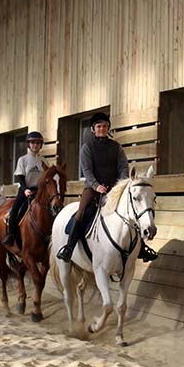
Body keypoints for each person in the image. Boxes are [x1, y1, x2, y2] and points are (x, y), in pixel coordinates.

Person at [56, 112, 128, 262]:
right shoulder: (87, 147)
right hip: (92, 189)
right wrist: (96, 186)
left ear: (108, 128)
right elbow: (87, 170)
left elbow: (123, 167)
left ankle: (140, 249)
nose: (102, 129)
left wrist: (120, 185)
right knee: (81, 212)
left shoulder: (117, 147)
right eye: (99, 126)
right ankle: (69, 248)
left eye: (105, 126)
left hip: (114, 189)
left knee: (130, 211)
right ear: (93, 129)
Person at [2, 131, 47, 246]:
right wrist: (25, 189)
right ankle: (11, 235)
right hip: (25, 190)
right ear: (28, 144)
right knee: (15, 210)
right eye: (32, 143)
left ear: (40, 145)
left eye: (37, 143)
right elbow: (19, 176)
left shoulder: (44, 160)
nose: (35, 145)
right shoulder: (23, 159)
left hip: (39, 191)